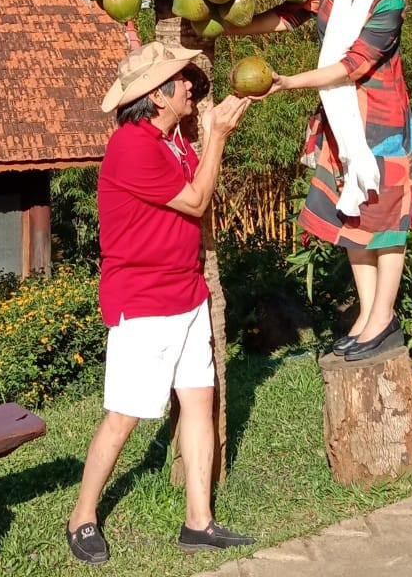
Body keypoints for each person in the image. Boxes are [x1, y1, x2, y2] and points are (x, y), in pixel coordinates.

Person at [66, 39, 254, 565]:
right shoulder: (131, 146)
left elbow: (194, 192)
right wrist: (217, 137)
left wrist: (210, 139)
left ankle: (198, 522)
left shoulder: (174, 143)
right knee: (124, 416)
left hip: (187, 292)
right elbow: (196, 200)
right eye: (181, 80)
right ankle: (82, 516)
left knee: (199, 401)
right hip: (144, 301)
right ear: (157, 94)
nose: (191, 85)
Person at [227, 0, 412, 362]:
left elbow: (352, 66)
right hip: (340, 120)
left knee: (386, 223)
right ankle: (367, 313)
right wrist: (234, 28)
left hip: (380, 125)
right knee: (353, 218)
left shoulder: (390, 1)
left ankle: (384, 317)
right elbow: (293, 14)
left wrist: (287, 83)